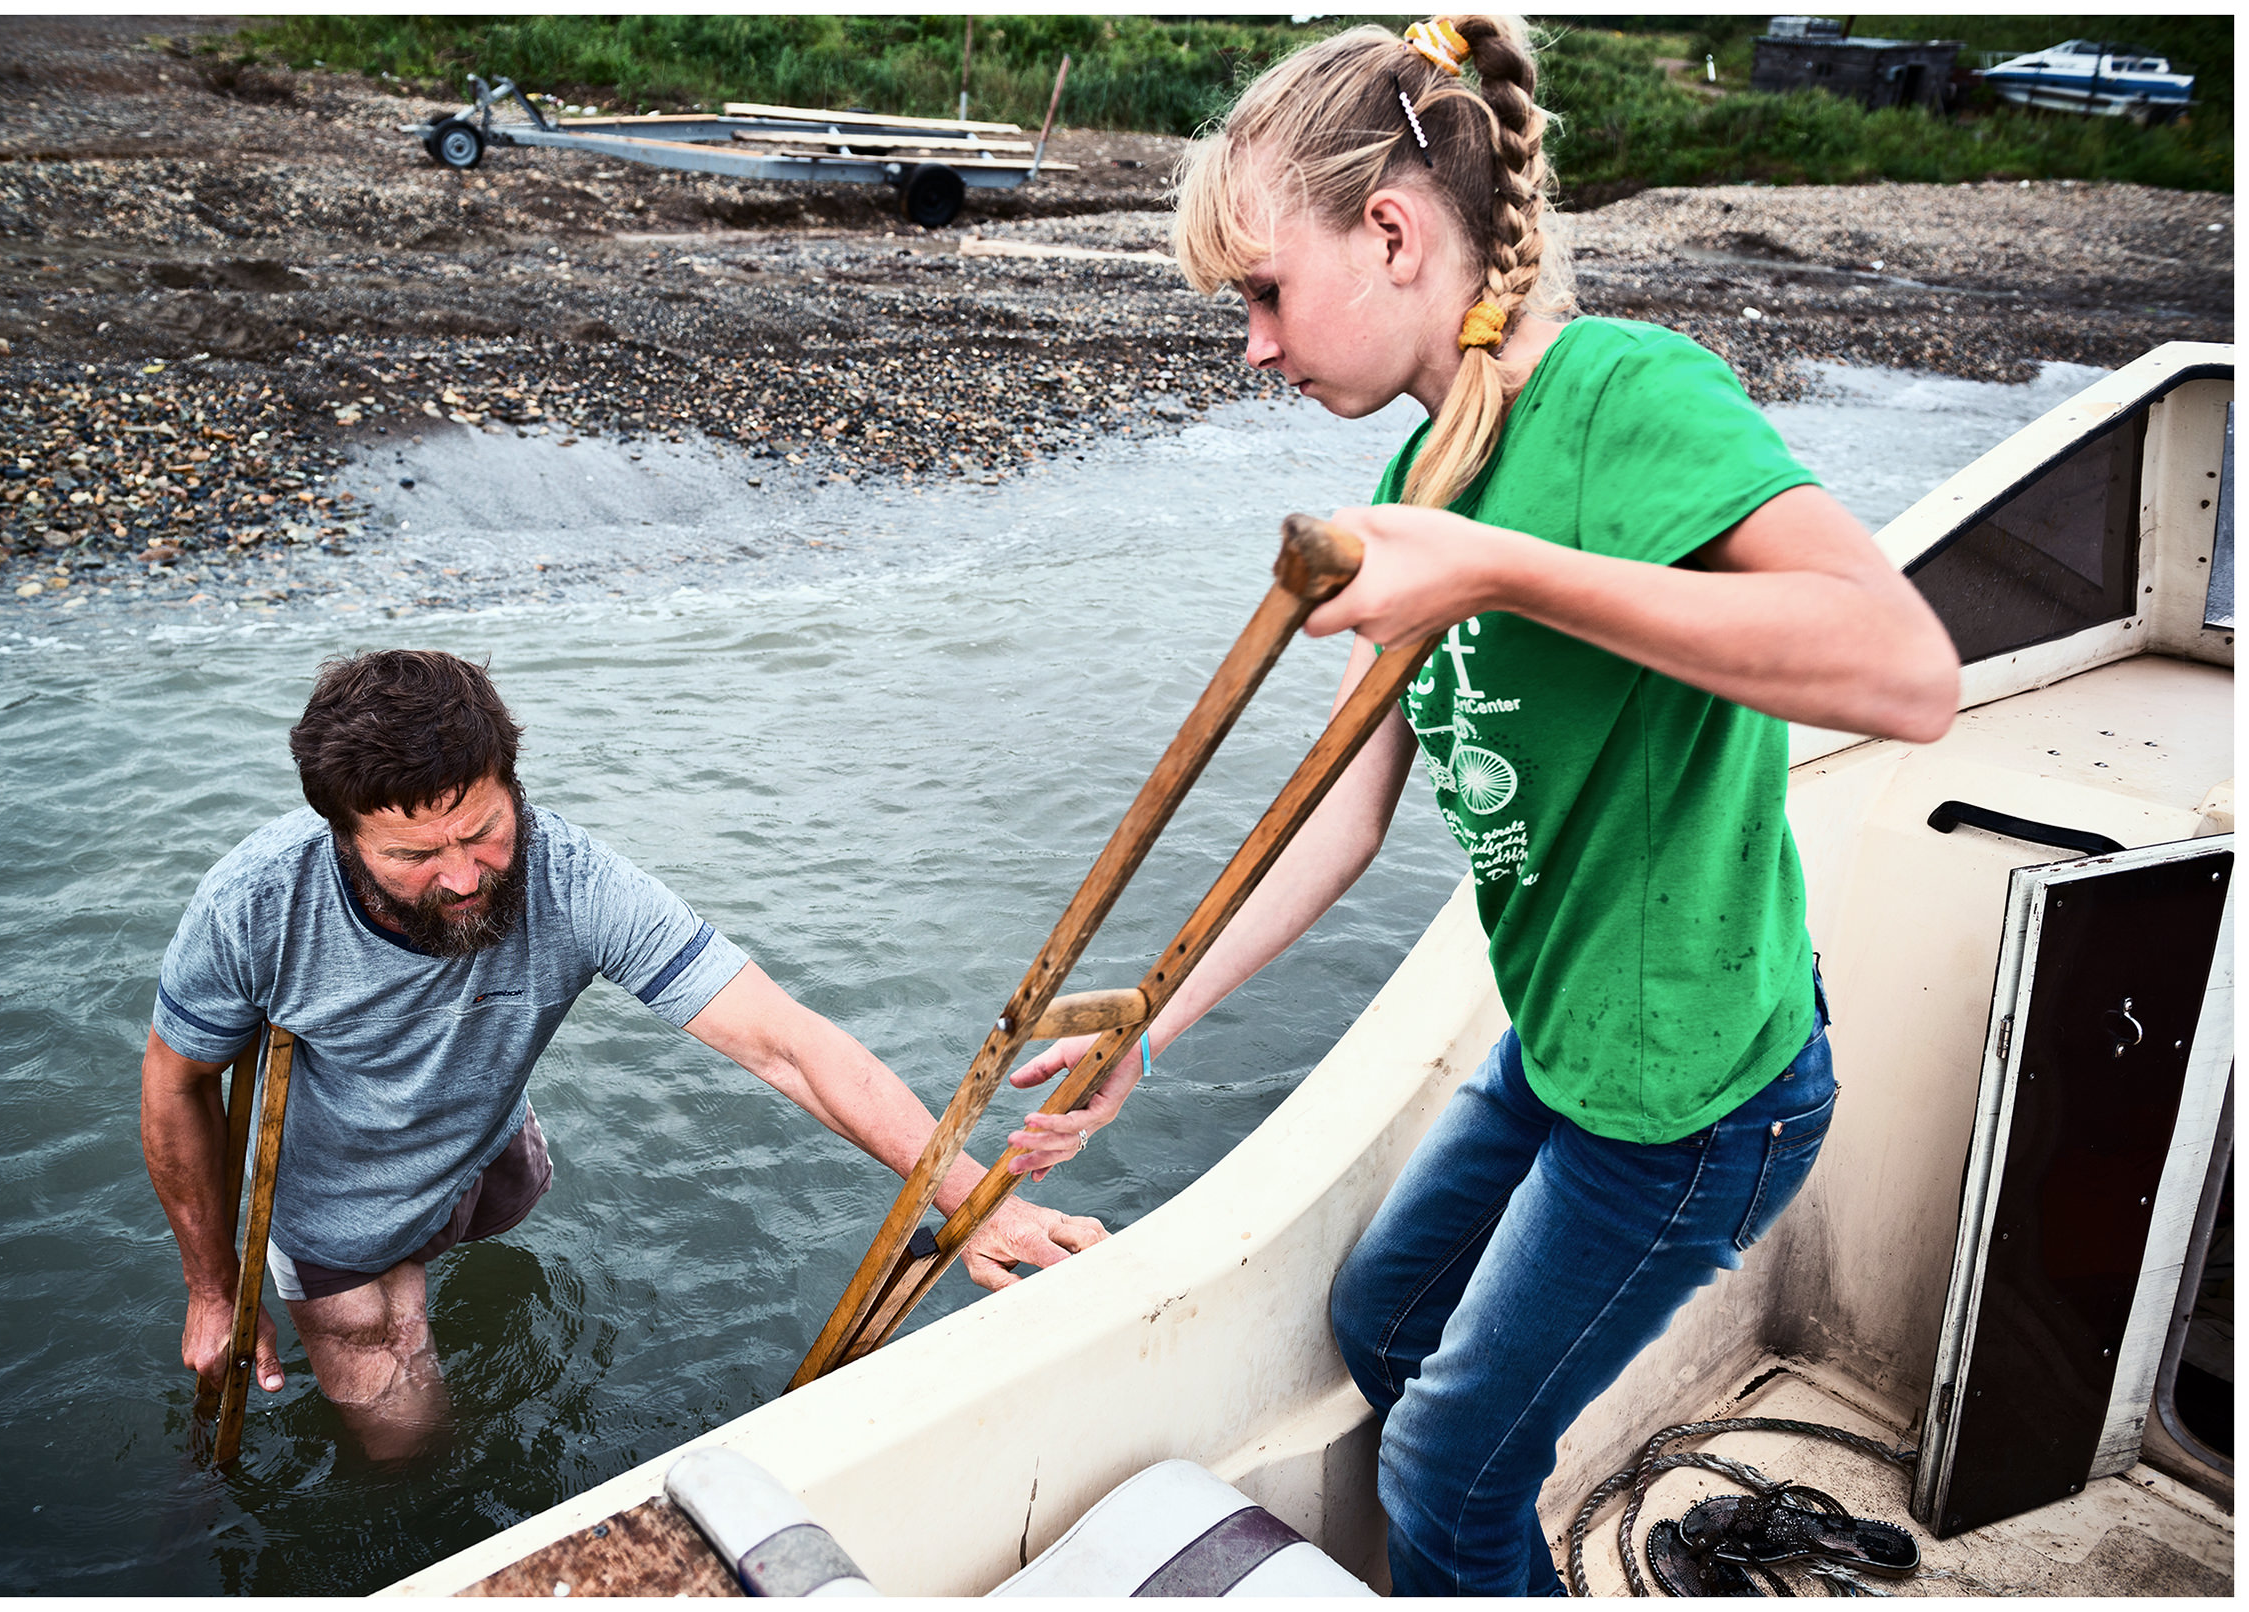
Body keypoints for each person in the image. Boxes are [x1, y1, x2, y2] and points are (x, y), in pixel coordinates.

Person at [1002, 16, 1959, 1596]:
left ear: (1391, 231)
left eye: (1263, 292)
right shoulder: (1413, 495)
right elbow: (1336, 816)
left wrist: (1503, 568)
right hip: (1564, 1046)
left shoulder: (1624, 401)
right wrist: (1147, 1027)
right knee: (1383, 1325)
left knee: (1443, 1477)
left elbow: (1901, 669)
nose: (1253, 343)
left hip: (1696, 1100)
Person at [142, 649, 1104, 1461]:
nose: (465, 875)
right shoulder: (257, 907)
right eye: (413, 858)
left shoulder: (575, 878)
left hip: (485, 1143)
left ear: (513, 785)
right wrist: (213, 1292)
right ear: (343, 836)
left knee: (498, 1217)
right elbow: (177, 1083)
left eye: (483, 831)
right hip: (338, 1190)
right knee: (401, 1418)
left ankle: (457, 1207)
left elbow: (789, 1045)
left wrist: (979, 1202)